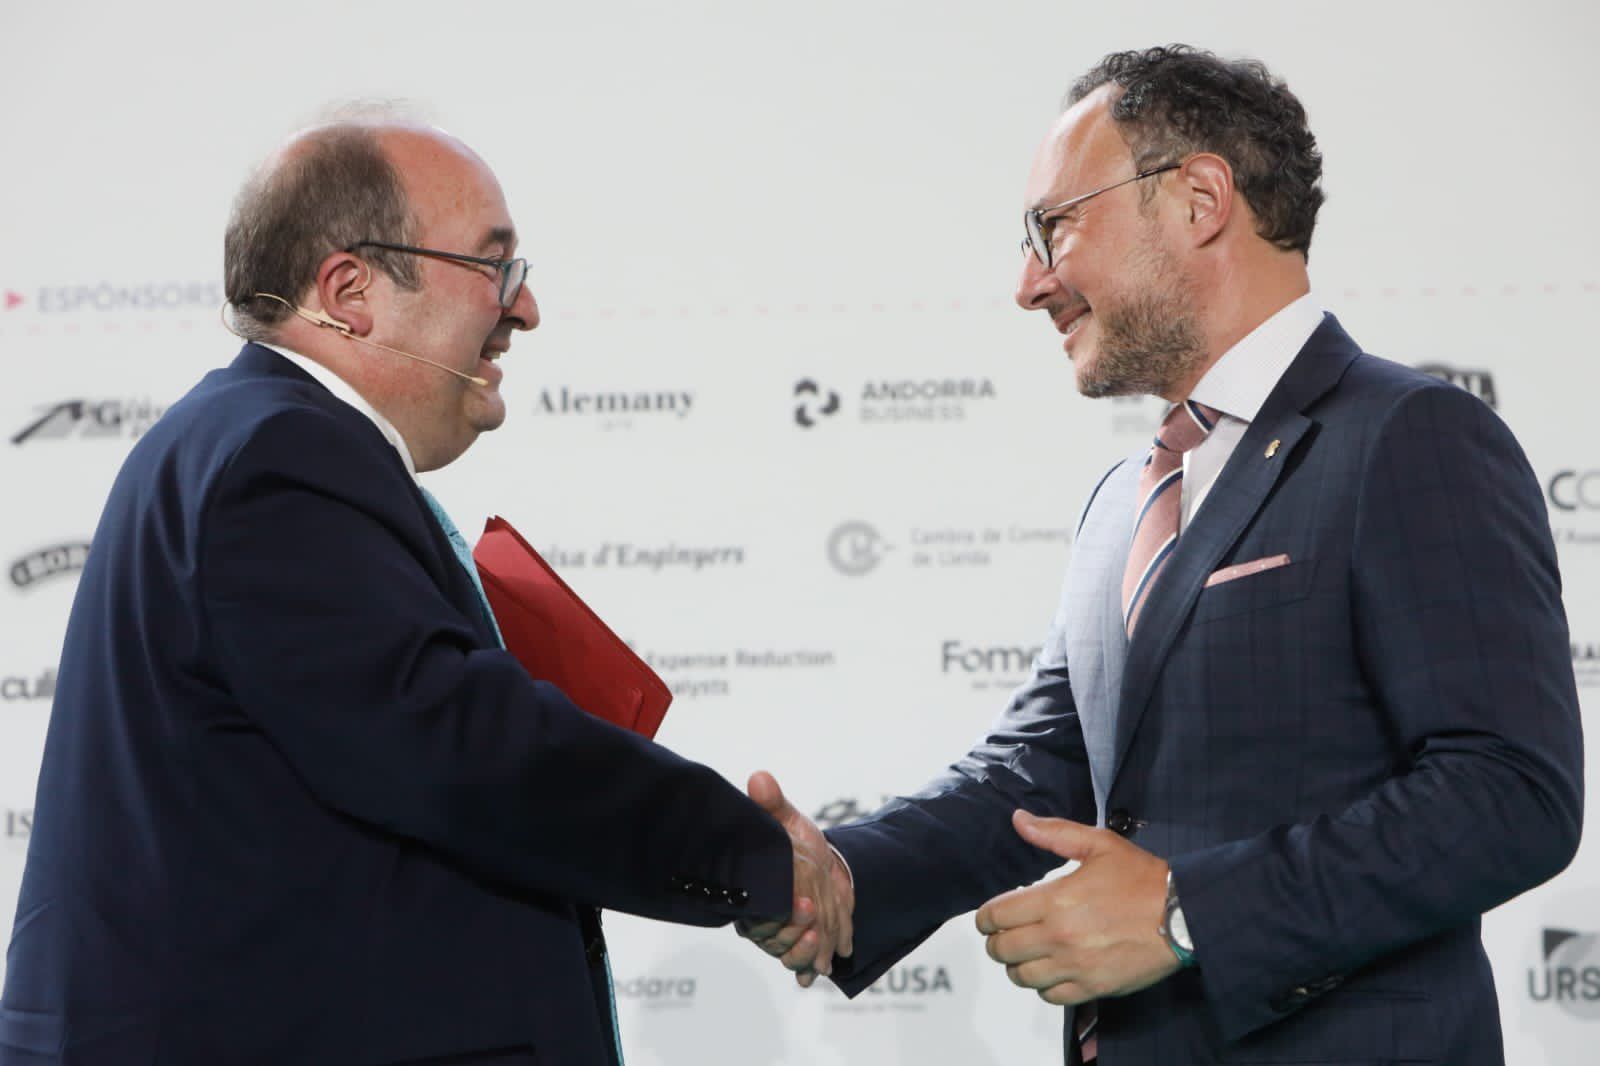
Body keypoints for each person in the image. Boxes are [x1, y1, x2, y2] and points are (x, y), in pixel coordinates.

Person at [742, 45, 1584, 1064]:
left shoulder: (1410, 435)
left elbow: (1508, 792)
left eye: (1054, 225)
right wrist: (837, 876)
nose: (1028, 282)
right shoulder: (1125, 496)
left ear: (1198, 197)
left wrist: (1189, 914)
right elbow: (1041, 766)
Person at [0, 115, 841, 1066]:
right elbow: (464, 748)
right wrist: (750, 857)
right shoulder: (277, 456)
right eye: (494, 268)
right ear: (349, 291)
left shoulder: (248, 439)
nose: (524, 311)